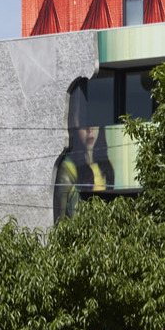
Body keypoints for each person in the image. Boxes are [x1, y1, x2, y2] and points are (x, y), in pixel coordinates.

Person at [52, 77, 115, 223]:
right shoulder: (68, 168)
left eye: (94, 123)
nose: (90, 130)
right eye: (84, 124)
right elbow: (59, 221)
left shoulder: (105, 166)